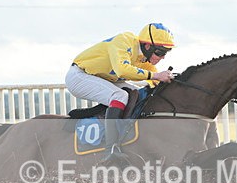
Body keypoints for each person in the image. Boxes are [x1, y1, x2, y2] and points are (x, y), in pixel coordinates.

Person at [65, 23, 176, 162]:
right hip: (79, 76)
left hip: (102, 77)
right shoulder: (124, 41)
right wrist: (155, 76)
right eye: (160, 52)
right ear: (147, 46)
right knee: (120, 96)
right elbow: (122, 70)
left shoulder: (144, 58)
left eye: (166, 53)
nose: (162, 57)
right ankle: (111, 148)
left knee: (139, 93)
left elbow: (153, 79)